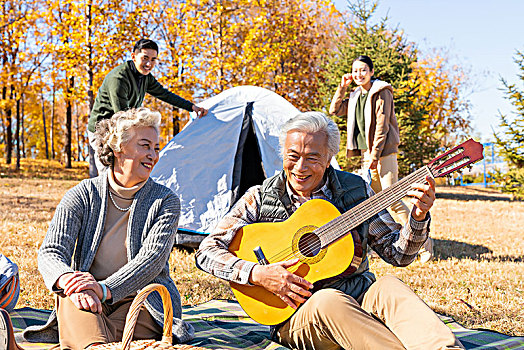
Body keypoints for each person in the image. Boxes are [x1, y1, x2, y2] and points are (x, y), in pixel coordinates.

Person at [196, 112, 463, 350]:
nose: (300, 168)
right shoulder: (261, 196)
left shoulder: (356, 191)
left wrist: (418, 217)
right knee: (328, 300)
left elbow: (399, 256)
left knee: (389, 286)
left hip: (358, 296)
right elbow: (206, 252)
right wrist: (258, 273)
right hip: (295, 315)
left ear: (328, 158)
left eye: (312, 158)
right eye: (293, 157)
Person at [10, 108, 194, 350]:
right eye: (145, 145)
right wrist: (68, 280)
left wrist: (104, 289)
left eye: (156, 148)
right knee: (71, 300)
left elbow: (151, 260)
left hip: (144, 301)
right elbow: (51, 251)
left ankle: (85, 341)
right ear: (118, 148)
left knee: (92, 332)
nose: (153, 155)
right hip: (85, 294)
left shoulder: (165, 201)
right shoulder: (82, 194)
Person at [329, 55, 433, 262]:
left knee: (392, 198)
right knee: (373, 201)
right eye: (355, 70)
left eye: (363, 70)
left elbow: (382, 126)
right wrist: (342, 88)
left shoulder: (381, 92)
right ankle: (380, 242)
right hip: (367, 153)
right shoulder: (357, 95)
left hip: (383, 152)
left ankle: (423, 245)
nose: (359, 74)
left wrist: (375, 156)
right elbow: (334, 110)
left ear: (371, 72)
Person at [87, 38, 208, 177]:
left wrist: (192, 107)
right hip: (103, 130)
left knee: (125, 173)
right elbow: (122, 114)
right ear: (133, 56)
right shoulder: (119, 78)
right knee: (108, 172)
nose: (149, 64)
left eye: (153, 59)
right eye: (145, 58)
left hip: (122, 126)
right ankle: (102, 197)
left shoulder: (145, 77)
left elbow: (165, 95)